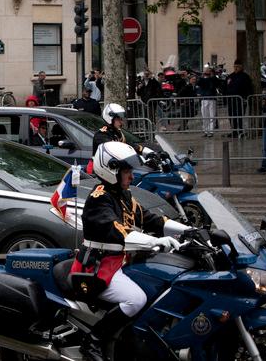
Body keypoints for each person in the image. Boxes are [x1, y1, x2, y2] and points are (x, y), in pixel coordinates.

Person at [73, 141, 186, 361]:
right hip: (98, 266)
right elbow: (120, 232)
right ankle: (93, 340)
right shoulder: (99, 199)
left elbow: (151, 219)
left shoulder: (122, 195)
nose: (132, 177)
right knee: (135, 299)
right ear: (111, 170)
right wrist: (156, 241)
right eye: (127, 172)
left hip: (119, 262)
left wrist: (188, 230)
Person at [225, 59, 254, 138]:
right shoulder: (230, 76)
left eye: (237, 66)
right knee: (231, 115)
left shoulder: (245, 77)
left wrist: (246, 98)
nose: (236, 68)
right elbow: (225, 87)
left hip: (240, 100)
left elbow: (249, 88)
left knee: (240, 115)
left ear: (241, 67)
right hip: (231, 100)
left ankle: (240, 131)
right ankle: (234, 131)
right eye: (235, 66)